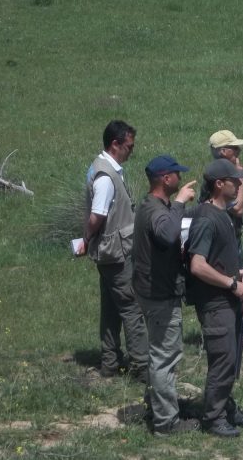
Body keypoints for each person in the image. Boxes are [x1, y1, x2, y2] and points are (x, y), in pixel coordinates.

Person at [186, 158, 243, 438]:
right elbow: (198, 265)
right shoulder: (206, 219)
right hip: (215, 303)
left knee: (230, 359)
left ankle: (227, 409)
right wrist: (232, 284)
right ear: (219, 184)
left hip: (226, 297)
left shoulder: (222, 215)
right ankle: (213, 418)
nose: (240, 183)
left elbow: (215, 262)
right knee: (222, 361)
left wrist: (241, 272)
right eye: (235, 180)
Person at [132, 155, 199, 436]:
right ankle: (166, 423)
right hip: (159, 295)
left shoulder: (154, 206)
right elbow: (168, 235)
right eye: (177, 176)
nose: (181, 180)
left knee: (162, 355)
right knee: (164, 357)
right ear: (166, 179)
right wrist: (182, 202)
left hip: (153, 291)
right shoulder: (156, 211)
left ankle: (162, 407)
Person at [78, 120, 148, 382]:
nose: (132, 150)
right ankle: (141, 366)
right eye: (129, 146)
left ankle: (110, 361)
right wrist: (87, 236)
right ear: (115, 144)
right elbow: (97, 215)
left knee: (110, 308)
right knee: (131, 307)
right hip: (116, 253)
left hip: (110, 252)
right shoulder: (106, 177)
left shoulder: (103, 168)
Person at [202, 130, 243, 352]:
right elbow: (236, 210)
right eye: (235, 148)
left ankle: (237, 332)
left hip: (229, 236)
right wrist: (241, 176)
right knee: (236, 283)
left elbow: (234, 205)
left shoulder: (216, 176)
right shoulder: (227, 175)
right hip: (226, 241)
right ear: (223, 151)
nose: (239, 152)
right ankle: (237, 334)